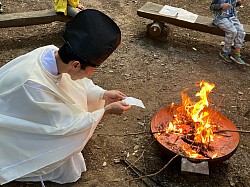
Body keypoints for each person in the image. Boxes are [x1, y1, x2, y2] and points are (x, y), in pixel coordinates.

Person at [0, 9, 131, 185]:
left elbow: (74, 85)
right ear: (76, 65)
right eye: (92, 70)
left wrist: (103, 94)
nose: (91, 75)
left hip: (31, 112)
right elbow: (60, 126)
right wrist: (106, 111)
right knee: (67, 167)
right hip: (13, 133)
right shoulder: (33, 84)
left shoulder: (52, 53)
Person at [210, 0, 247, 65]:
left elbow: (232, 5)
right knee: (232, 31)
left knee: (241, 31)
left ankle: (237, 54)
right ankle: (225, 52)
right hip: (220, 18)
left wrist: (239, 3)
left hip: (232, 17)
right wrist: (221, 6)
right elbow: (212, 7)